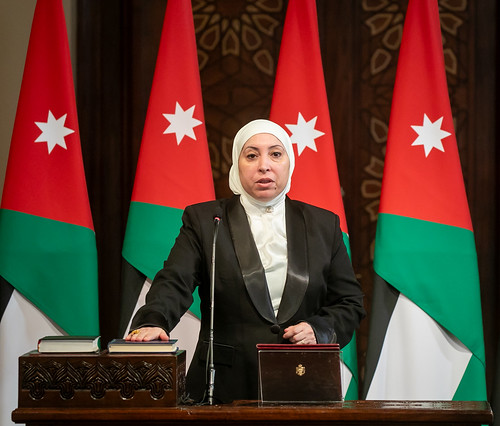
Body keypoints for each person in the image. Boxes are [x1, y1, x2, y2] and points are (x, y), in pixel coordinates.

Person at [126, 119, 365, 403]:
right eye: (251, 155)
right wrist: (154, 321)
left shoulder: (323, 224)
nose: (264, 165)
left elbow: (349, 303)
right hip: (223, 386)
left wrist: (319, 330)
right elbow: (174, 282)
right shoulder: (206, 220)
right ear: (236, 164)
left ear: (289, 162)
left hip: (302, 381)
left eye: (275, 154)